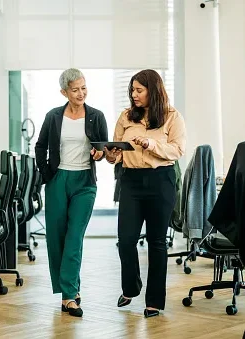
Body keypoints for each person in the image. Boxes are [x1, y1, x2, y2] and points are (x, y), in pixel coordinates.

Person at [105, 69, 186, 318]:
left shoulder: (172, 117)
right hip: (130, 181)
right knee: (126, 240)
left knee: (157, 242)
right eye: (132, 90)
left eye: (139, 90)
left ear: (154, 90)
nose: (134, 94)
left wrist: (151, 144)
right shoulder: (126, 116)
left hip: (160, 180)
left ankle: (154, 302)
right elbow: (115, 153)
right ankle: (131, 287)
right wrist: (109, 154)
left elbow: (177, 150)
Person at [35, 68, 108, 317]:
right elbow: (40, 145)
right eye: (75, 89)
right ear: (64, 92)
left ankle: (69, 296)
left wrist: (99, 153)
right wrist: (47, 175)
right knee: (56, 237)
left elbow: (104, 148)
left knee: (74, 236)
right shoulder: (54, 116)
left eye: (84, 87)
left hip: (84, 182)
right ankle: (69, 290)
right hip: (58, 179)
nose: (81, 93)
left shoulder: (96, 116)